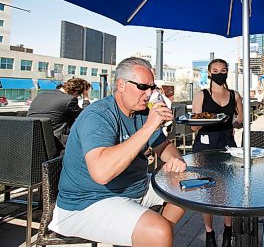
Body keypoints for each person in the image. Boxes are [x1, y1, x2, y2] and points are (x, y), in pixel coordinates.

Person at [48, 57, 186, 247]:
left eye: (151, 88)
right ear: (121, 85)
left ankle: (154, 238)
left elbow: (164, 148)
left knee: (188, 186)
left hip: (134, 188)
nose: (149, 94)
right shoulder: (99, 115)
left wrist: (175, 161)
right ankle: (157, 236)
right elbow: (102, 173)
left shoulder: (142, 113)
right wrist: (148, 127)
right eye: (142, 87)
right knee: (159, 232)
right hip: (90, 202)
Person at [191, 58, 243, 247]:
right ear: (209, 73)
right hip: (205, 145)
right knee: (207, 189)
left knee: (227, 187)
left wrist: (233, 124)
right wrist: (209, 121)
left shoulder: (235, 95)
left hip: (228, 144)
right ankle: (209, 232)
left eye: (223, 70)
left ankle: (228, 230)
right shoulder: (201, 95)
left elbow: (241, 116)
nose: (219, 73)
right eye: (215, 70)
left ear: (227, 72)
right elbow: (194, 128)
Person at [28, 77, 91, 151]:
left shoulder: (41, 95)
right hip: (55, 141)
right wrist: (86, 97)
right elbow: (85, 116)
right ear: (75, 93)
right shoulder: (69, 99)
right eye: (79, 95)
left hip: (31, 138)